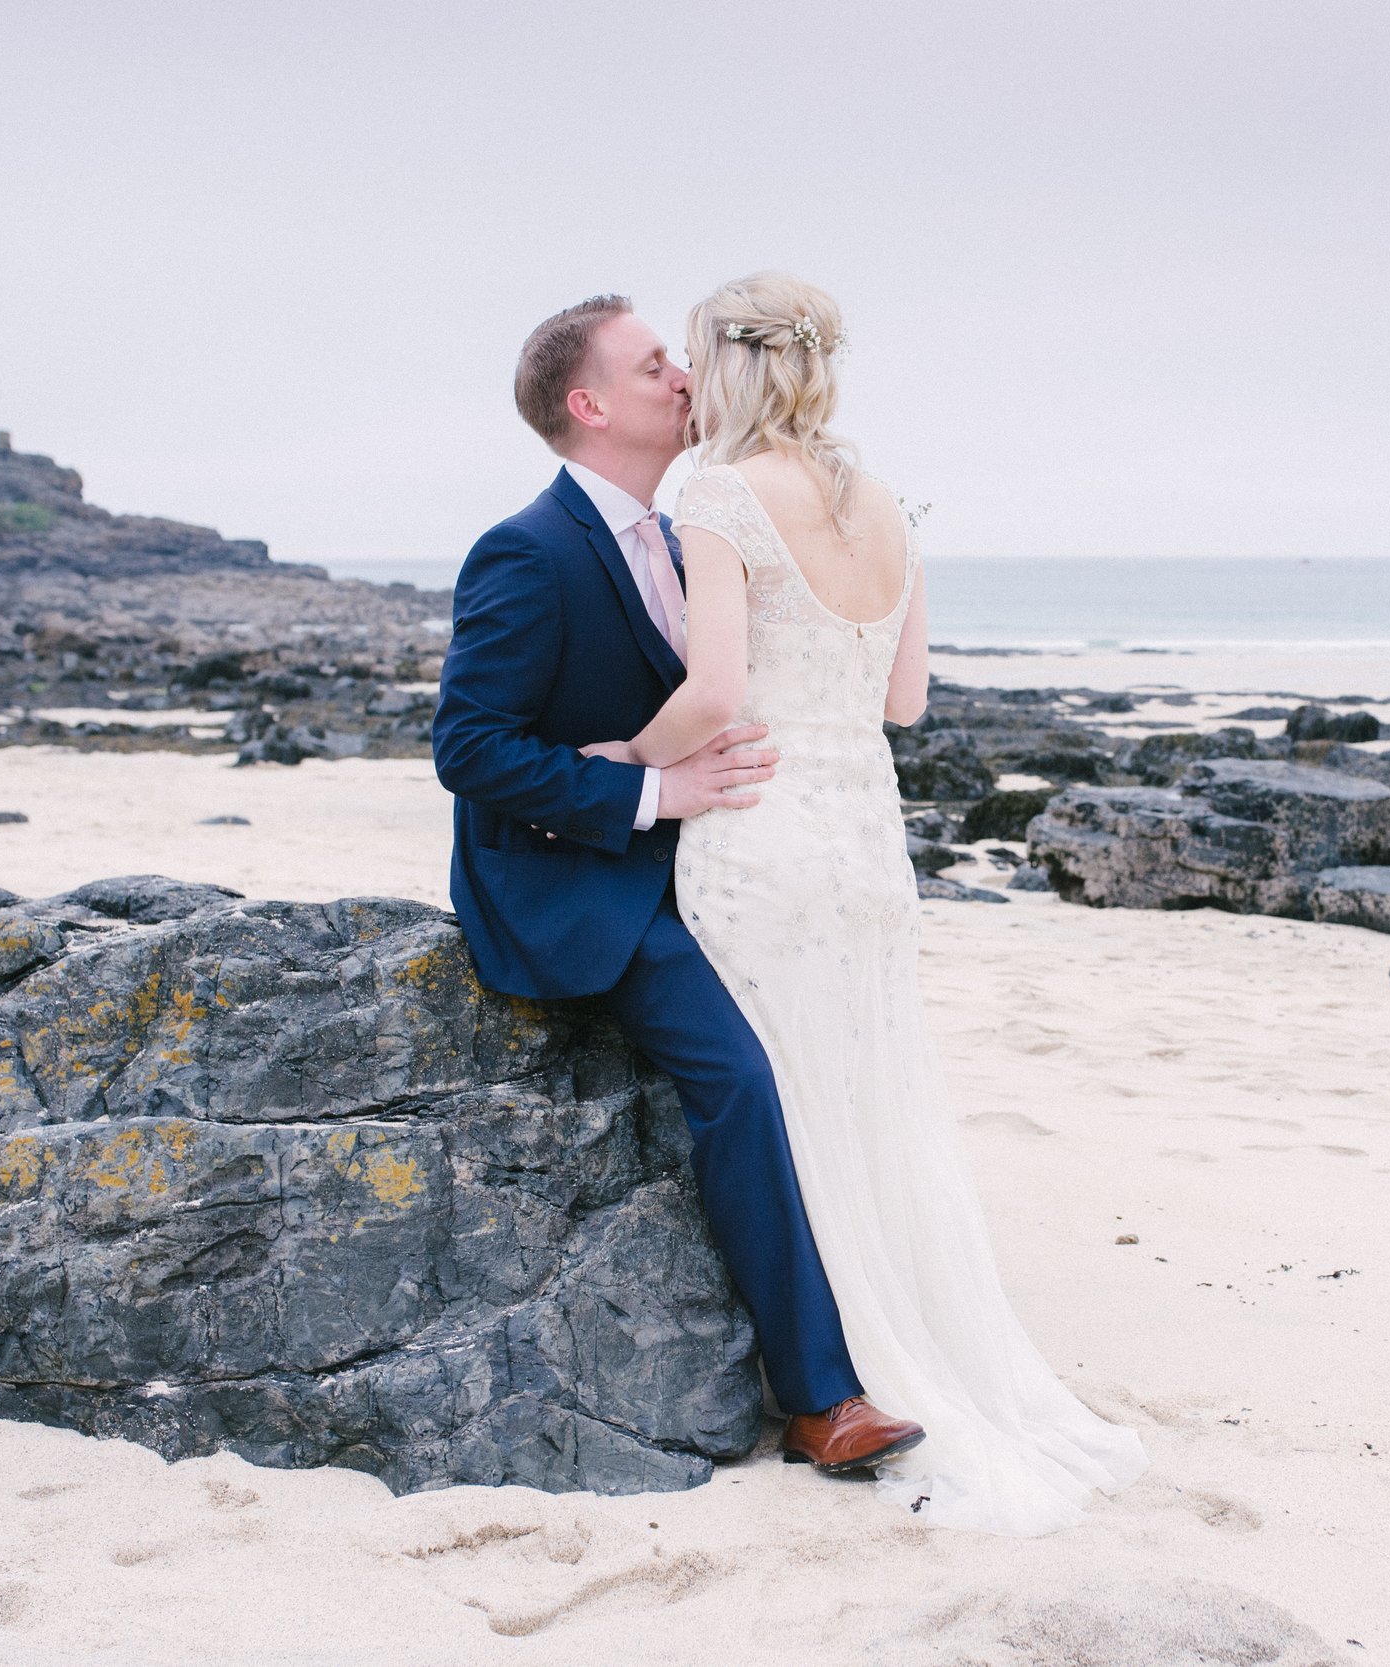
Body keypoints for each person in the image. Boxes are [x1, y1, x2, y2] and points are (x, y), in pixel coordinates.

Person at [584, 271, 1147, 1535]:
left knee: (783, 1096)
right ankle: (901, 1354)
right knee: (872, 1086)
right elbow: (904, 703)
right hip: (863, 834)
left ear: (730, 368)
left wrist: (620, 762)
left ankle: (829, 1375)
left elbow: (718, 687)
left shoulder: (716, 493)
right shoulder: (886, 502)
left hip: (759, 823)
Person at [431, 294, 926, 1479]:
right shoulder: (527, 550)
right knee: (743, 1074)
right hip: (588, 876)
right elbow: (469, 746)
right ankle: (822, 1399)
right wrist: (649, 792)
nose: (682, 375)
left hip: (713, 859)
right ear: (588, 406)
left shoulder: (699, 522)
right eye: (654, 364)